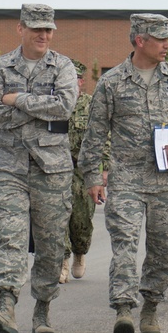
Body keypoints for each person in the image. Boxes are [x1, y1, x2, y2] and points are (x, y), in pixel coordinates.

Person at [79, 14, 168, 333]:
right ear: (140, 41)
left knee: (163, 248)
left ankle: (150, 305)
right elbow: (95, 133)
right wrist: (93, 176)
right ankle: (123, 308)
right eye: (162, 40)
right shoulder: (113, 82)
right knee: (124, 244)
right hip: (127, 180)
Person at [0, 4, 79, 333]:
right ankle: (6, 305)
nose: (43, 35)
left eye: (48, 29)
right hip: (9, 166)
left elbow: (64, 106)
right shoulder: (0, 66)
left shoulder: (62, 66)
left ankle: (42, 310)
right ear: (19, 29)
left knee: (50, 244)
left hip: (52, 169)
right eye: (36, 28)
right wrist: (38, 105)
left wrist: (16, 99)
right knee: (11, 236)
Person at [62, 60, 106, 284]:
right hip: (58, 169)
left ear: (81, 82)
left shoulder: (91, 105)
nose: (73, 84)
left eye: (76, 79)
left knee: (81, 219)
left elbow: (103, 135)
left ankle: (80, 251)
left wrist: (104, 167)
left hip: (83, 170)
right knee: (59, 215)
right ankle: (63, 260)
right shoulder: (55, 104)